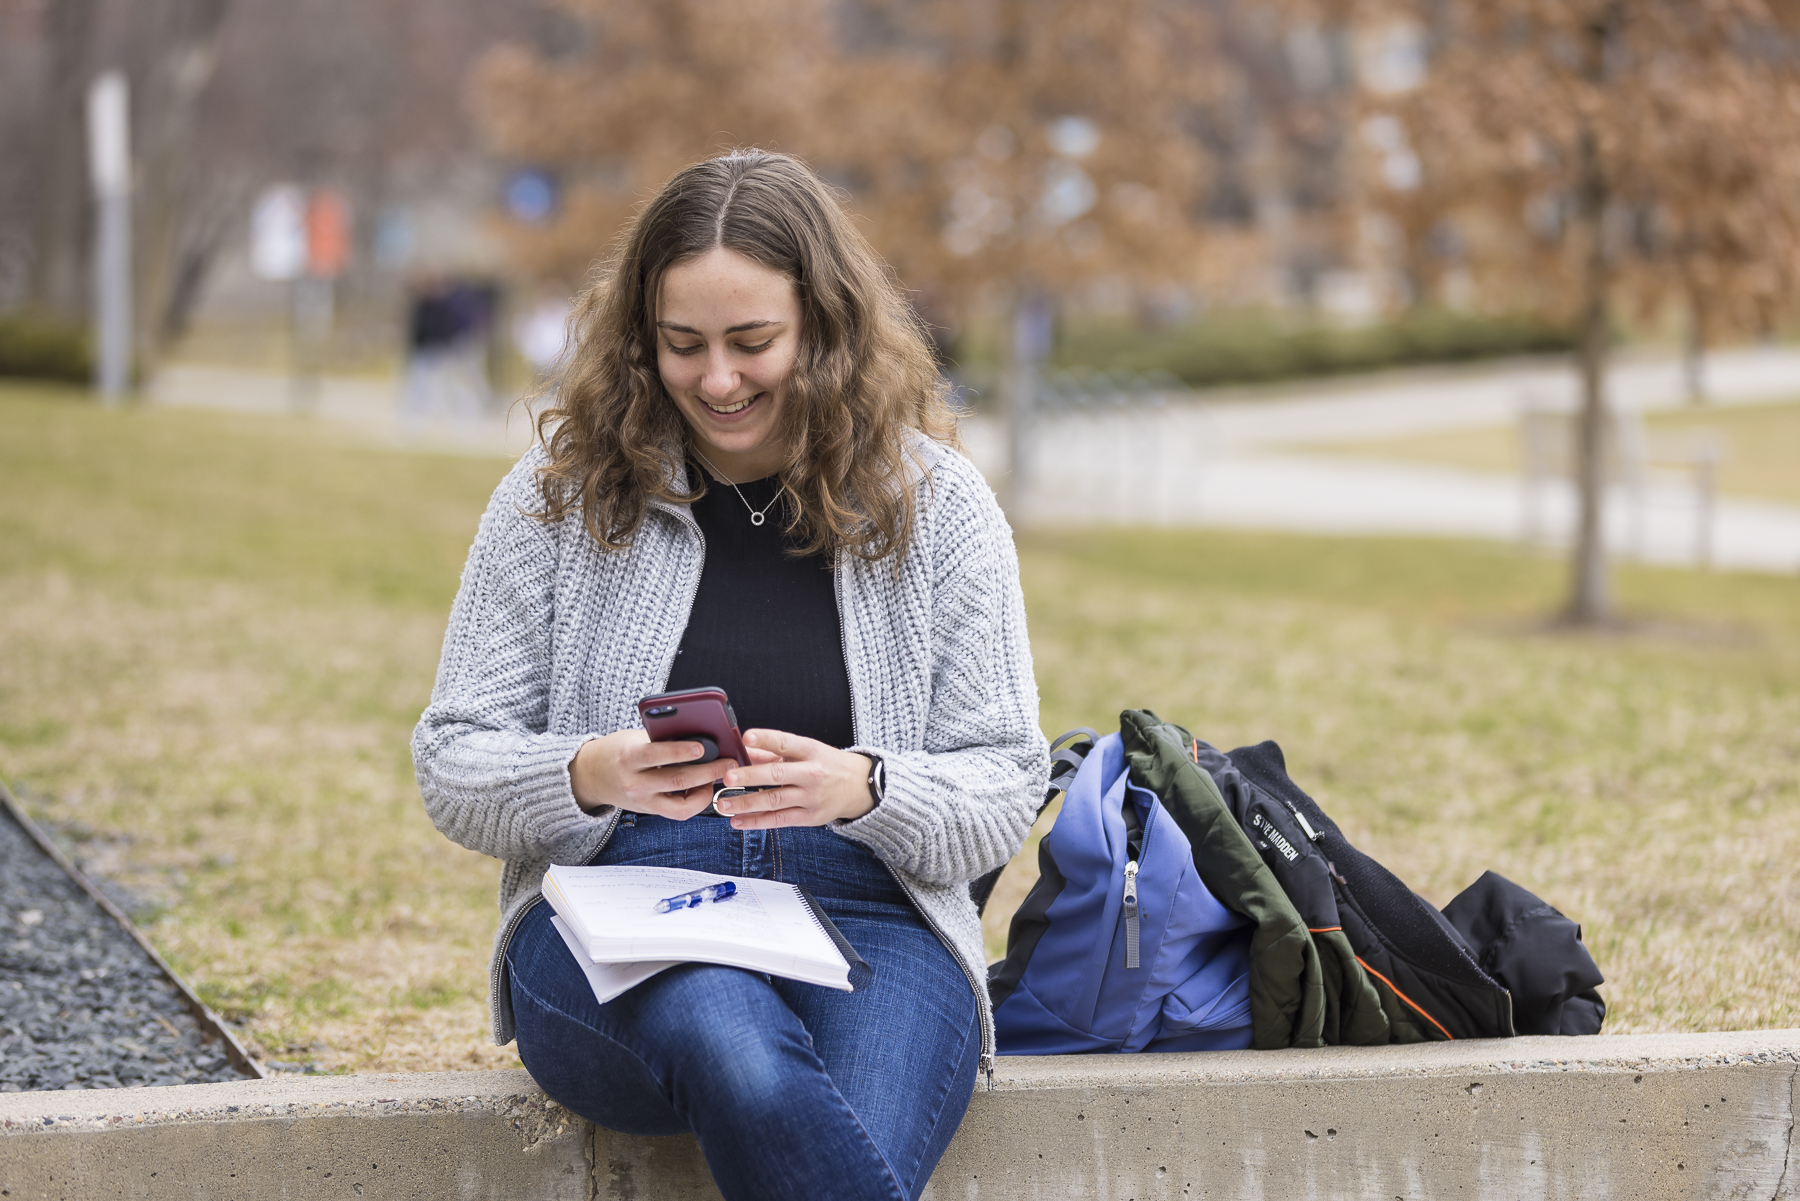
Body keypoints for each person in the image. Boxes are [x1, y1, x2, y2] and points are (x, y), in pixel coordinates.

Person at [411, 149, 1049, 1201]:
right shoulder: (558, 500)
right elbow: (453, 756)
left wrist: (869, 787)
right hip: (623, 908)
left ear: (825, 329)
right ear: (639, 340)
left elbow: (1001, 782)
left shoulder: (940, 507)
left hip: (874, 910)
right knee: (735, 1043)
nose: (717, 379)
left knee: (855, 1157)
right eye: (682, 345)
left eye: (754, 342)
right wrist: (587, 774)